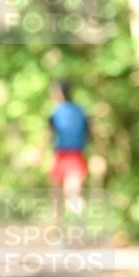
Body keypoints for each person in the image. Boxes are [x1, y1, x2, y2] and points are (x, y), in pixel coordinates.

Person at [49, 79, 90, 220]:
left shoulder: (55, 112)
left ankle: (59, 232)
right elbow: (89, 133)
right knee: (73, 194)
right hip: (77, 155)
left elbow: (49, 135)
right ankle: (79, 228)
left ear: (59, 92)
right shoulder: (81, 111)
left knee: (57, 195)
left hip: (63, 155)